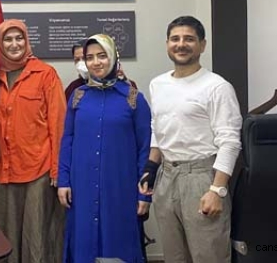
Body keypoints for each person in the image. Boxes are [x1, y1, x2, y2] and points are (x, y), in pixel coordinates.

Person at [139, 16, 242, 263]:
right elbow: (158, 127)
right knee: (174, 256)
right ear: (167, 44)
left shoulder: (217, 87)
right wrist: (151, 167)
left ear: (202, 45)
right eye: (175, 39)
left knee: (208, 255)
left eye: (189, 39)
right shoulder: (158, 84)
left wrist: (217, 190)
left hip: (202, 178)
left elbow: (230, 141)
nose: (181, 44)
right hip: (166, 178)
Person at [58, 34, 152, 262]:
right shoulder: (78, 97)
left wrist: (144, 193)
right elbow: (67, 140)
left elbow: (145, 149)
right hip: (82, 187)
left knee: (118, 242)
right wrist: (63, 181)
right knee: (83, 243)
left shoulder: (133, 98)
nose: (96, 62)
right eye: (90, 57)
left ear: (113, 57)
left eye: (102, 56)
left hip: (120, 188)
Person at [0, 19, 66, 263]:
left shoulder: (45, 74)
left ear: (27, 41)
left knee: (36, 235)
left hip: (38, 170)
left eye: (19, 38)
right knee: (6, 236)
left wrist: (57, 169)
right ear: (0, 44)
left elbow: (58, 123)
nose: (14, 44)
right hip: (5, 170)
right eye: (8, 39)